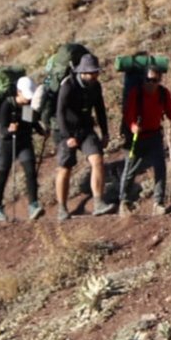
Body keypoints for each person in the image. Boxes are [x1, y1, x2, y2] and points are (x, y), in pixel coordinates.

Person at [121, 59, 171, 216]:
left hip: (154, 136)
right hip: (137, 137)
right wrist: (133, 126)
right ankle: (124, 201)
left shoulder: (163, 93)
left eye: (156, 80)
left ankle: (158, 202)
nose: (152, 83)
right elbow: (128, 114)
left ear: (160, 79)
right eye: (149, 80)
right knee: (131, 169)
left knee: (160, 167)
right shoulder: (136, 93)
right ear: (143, 79)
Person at [54, 54, 110, 218]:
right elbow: (60, 113)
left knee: (97, 159)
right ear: (83, 73)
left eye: (96, 72)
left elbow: (100, 109)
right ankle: (62, 208)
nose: (95, 75)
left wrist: (105, 132)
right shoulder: (68, 85)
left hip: (86, 129)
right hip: (68, 131)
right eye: (92, 72)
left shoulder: (96, 86)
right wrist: (67, 136)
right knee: (65, 168)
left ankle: (99, 202)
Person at [0, 75, 45, 221]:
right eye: (26, 96)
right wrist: (9, 130)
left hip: (24, 142)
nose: (28, 99)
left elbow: (31, 121)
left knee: (30, 171)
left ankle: (33, 205)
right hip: (6, 145)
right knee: (2, 174)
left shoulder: (26, 106)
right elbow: (1, 129)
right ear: (18, 92)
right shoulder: (7, 105)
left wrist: (41, 130)